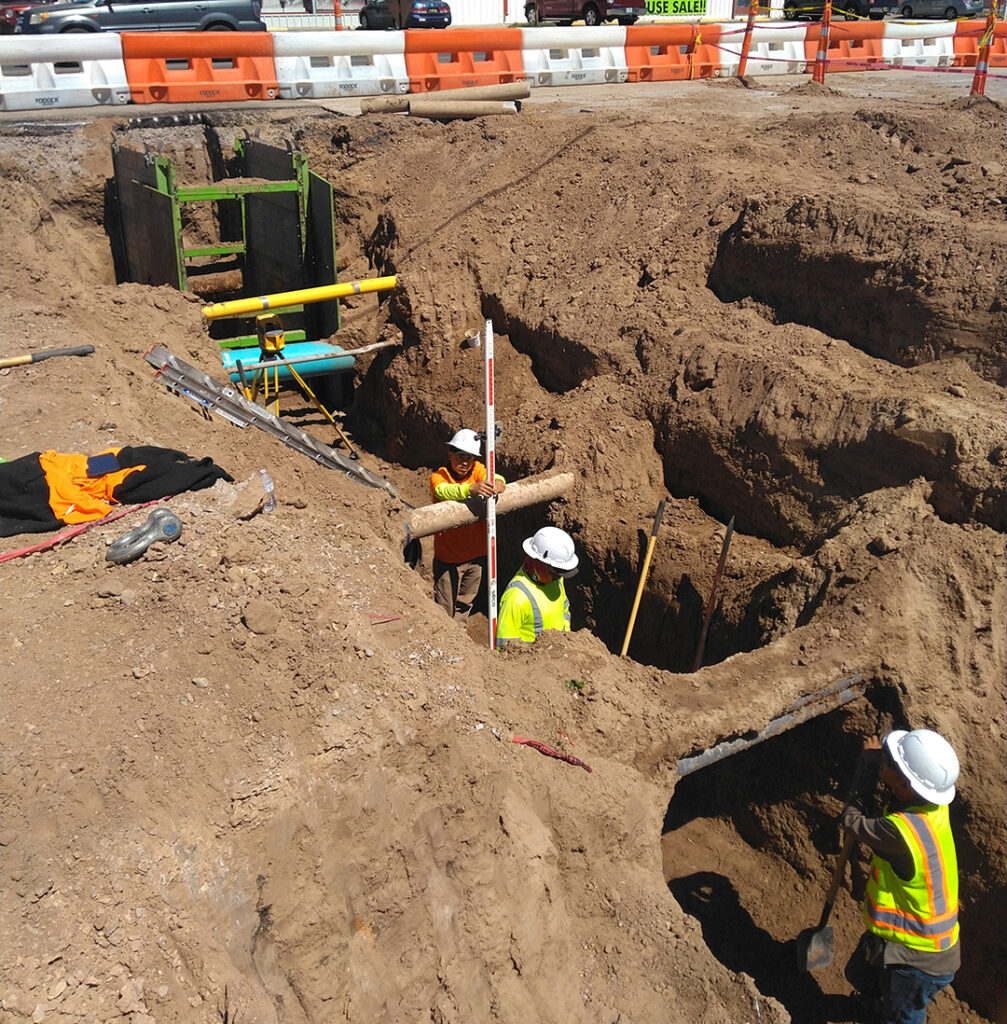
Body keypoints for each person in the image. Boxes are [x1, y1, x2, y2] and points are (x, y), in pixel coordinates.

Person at [841, 728, 961, 1024]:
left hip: (918, 959)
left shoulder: (900, 833)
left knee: (902, 1015)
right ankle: (876, 1008)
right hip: (918, 944)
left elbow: (852, 820)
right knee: (860, 975)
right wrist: (883, 769)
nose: (883, 756)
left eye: (889, 760)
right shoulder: (933, 807)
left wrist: (867, 768)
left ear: (906, 784)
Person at [430, 428, 505, 621]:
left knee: (465, 603)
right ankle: (446, 635)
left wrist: (498, 482)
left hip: (476, 556)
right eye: (460, 457)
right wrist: (470, 488)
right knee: (445, 607)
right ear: (450, 454)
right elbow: (443, 491)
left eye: (469, 458)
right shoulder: (439, 476)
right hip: (448, 557)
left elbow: (495, 476)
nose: (465, 463)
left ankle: (459, 633)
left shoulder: (477, 469)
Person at [495, 526, 578, 647]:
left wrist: (566, 638)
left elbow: (564, 606)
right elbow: (504, 646)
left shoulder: (556, 579)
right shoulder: (516, 598)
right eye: (555, 573)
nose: (558, 577)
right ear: (540, 564)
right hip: (533, 658)